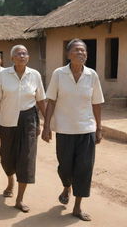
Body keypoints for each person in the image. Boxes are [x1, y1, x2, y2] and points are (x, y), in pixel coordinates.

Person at [42, 39, 104, 221]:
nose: (81, 53)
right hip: (64, 129)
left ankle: (77, 206)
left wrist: (99, 128)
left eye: (84, 51)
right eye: (77, 50)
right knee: (65, 167)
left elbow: (97, 103)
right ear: (68, 54)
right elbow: (51, 100)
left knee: (84, 168)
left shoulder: (92, 75)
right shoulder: (59, 74)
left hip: (86, 129)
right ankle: (66, 186)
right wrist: (46, 126)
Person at [0, 45, 46, 213]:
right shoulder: (3, 75)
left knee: (26, 159)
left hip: (29, 120)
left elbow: (41, 100)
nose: (22, 55)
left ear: (28, 57)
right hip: (7, 121)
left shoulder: (34, 75)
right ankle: (10, 180)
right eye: (18, 53)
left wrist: (48, 122)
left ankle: (20, 199)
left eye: (25, 53)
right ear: (12, 58)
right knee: (6, 157)